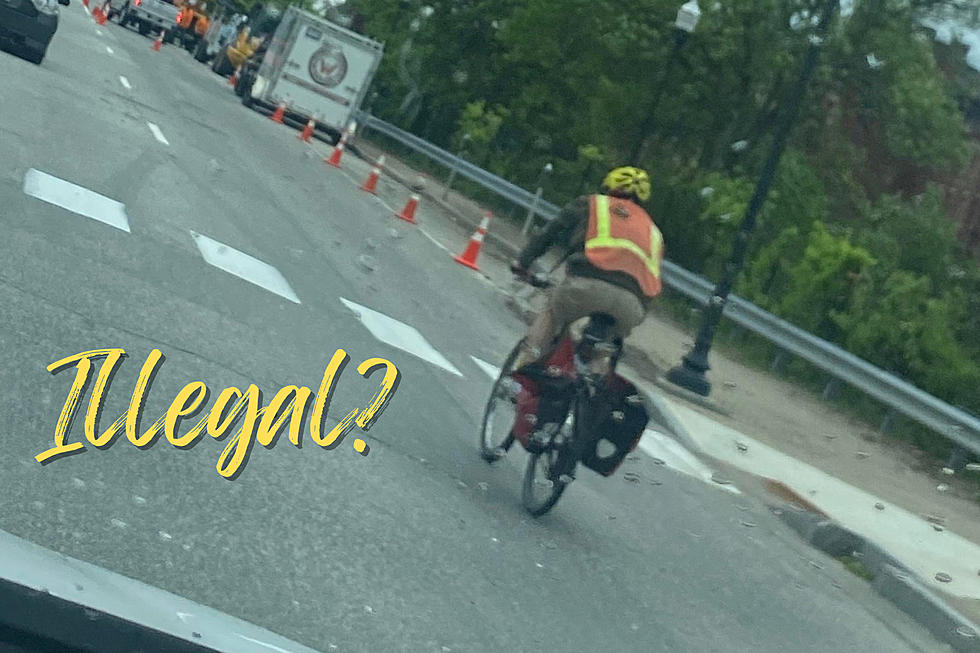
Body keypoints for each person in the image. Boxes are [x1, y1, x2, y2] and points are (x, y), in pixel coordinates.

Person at [509, 166, 664, 369]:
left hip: (586, 287)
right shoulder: (653, 232)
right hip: (632, 306)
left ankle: (524, 368)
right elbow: (654, 277)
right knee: (604, 346)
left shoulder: (592, 204)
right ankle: (595, 380)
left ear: (609, 187)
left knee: (553, 311)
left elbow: (550, 232)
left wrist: (523, 263)